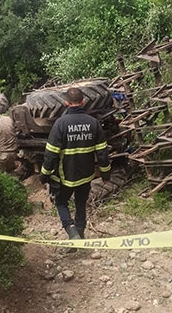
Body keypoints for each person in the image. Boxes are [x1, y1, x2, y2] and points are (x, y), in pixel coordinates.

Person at [39, 87, 111, 243]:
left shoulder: (60, 124)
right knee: (80, 204)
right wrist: (105, 174)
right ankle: (81, 236)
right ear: (83, 102)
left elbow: (51, 154)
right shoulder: (94, 123)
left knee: (60, 202)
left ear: (66, 103)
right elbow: (103, 153)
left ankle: (71, 231)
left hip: (65, 176)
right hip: (86, 175)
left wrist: (44, 174)